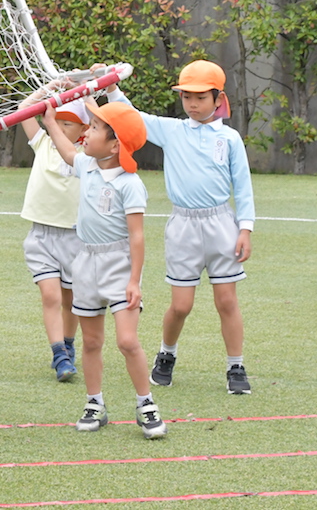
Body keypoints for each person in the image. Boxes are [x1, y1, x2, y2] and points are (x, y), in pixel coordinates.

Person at [116, 60, 254, 395]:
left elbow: (243, 185)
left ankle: (235, 365)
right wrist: (110, 88)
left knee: (227, 301)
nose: (192, 104)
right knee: (181, 305)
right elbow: (133, 118)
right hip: (183, 227)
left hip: (222, 224)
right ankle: (166, 355)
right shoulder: (172, 130)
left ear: (218, 98)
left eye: (200, 97)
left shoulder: (230, 138)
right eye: (186, 97)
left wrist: (245, 228)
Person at [42, 97, 167, 439]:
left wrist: (135, 281)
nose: (86, 132)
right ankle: (94, 403)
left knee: (127, 341)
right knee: (92, 341)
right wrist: (51, 121)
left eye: (95, 128)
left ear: (115, 145)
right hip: (85, 263)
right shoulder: (87, 165)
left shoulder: (130, 184)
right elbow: (68, 153)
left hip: (119, 266)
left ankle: (146, 403)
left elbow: (137, 237)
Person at [18, 87, 90, 382]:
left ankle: (69, 345)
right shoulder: (43, 144)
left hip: (75, 239)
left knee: (70, 300)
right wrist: (54, 87)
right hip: (41, 238)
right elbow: (24, 107)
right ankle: (59, 353)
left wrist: (90, 92)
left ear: (85, 128)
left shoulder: (87, 156)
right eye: (57, 120)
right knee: (50, 295)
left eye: (68, 123)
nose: (58, 126)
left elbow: (108, 123)